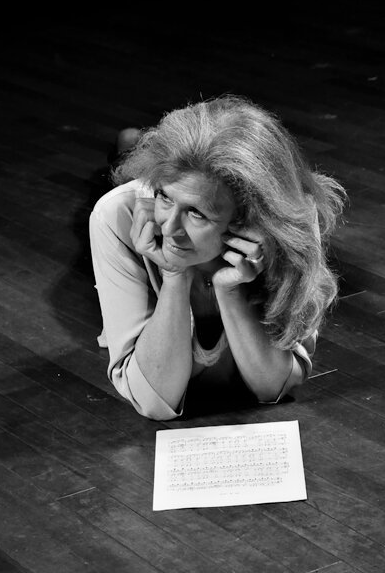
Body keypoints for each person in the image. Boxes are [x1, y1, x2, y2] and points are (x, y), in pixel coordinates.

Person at [89, 95, 346, 420]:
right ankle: (130, 148)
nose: (169, 229)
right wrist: (174, 275)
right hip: (128, 200)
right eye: (164, 197)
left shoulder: (291, 221)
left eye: (196, 213)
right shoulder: (116, 216)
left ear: (248, 219)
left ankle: (132, 145)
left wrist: (230, 290)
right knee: (123, 169)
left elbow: (274, 386)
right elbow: (152, 401)